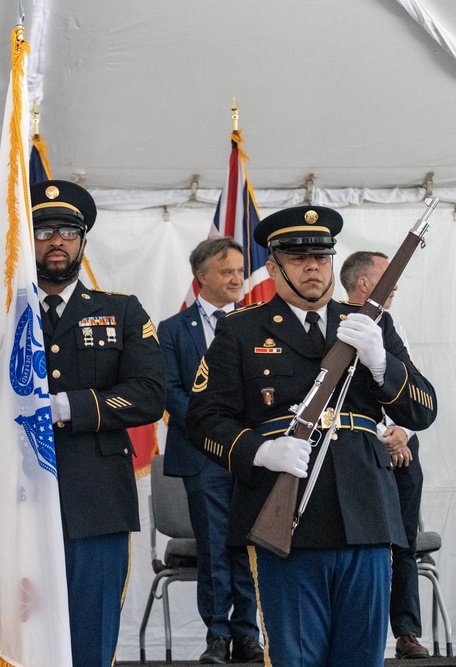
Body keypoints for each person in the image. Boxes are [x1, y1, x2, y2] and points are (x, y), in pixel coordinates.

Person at [186, 206, 437, 666]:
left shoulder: (369, 323)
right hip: (288, 519)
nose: (313, 266)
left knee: (361, 655)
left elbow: (423, 409)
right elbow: (205, 419)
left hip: (366, 515)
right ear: (273, 265)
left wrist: (381, 363)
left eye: (321, 256)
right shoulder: (241, 330)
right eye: (297, 257)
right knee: (296, 655)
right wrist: (261, 451)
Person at [0, 180, 165, 667]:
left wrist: (71, 406)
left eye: (67, 231)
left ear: (83, 241)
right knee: (20, 640)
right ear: (28, 242)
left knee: (90, 637)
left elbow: (151, 394)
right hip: (17, 502)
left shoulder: (121, 311)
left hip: (94, 501)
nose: (56, 241)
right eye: (44, 230)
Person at [159, 237, 263, 664]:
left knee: (249, 545)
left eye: (240, 270)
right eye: (227, 271)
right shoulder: (171, 329)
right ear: (201, 277)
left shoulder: (258, 323)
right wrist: (214, 432)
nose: (238, 278)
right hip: (202, 456)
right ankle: (217, 634)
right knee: (216, 546)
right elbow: (169, 390)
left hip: (253, 457)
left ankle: (249, 635)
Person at [341, 250, 430, 659]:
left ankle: (407, 631)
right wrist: (382, 433)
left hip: (401, 447)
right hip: (362, 453)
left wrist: (402, 432)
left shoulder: (390, 325)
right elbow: (344, 403)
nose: (395, 284)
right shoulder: (332, 324)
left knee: (404, 542)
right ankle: (367, 637)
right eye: (388, 276)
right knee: (370, 545)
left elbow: (411, 389)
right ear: (364, 283)